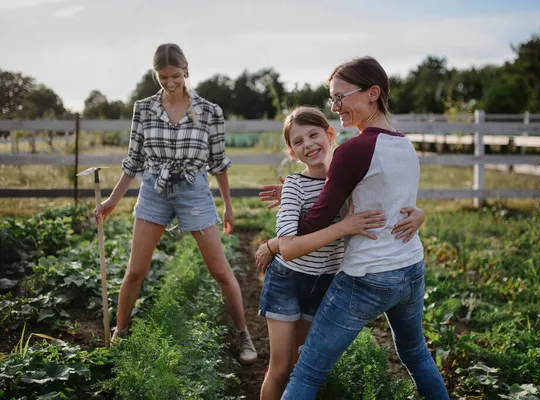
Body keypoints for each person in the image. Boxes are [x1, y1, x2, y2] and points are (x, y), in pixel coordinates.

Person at [280, 57, 450, 399]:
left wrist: (290, 201)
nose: (334, 106)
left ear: (373, 93)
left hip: (367, 277)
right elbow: (397, 203)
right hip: (410, 269)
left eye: (341, 96)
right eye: (332, 98)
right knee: (415, 353)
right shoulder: (404, 143)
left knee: (308, 371)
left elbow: (317, 218)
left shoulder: (353, 149)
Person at [93, 43, 257, 365]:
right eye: (163, 76)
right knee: (136, 270)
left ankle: (243, 335)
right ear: (156, 73)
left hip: (194, 189)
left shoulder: (210, 111)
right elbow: (134, 160)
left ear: (186, 70)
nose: (170, 83)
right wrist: (113, 199)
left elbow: (219, 164)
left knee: (220, 271)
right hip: (154, 187)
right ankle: (120, 333)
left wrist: (227, 205)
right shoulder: (144, 108)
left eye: (176, 76)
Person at [254, 106, 426, 399]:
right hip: (288, 280)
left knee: (302, 365)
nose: (308, 144)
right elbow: (290, 247)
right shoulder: (294, 186)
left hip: (325, 282)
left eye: (313, 135)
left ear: (330, 134)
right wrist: (343, 227)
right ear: (291, 152)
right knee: (280, 368)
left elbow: (388, 200)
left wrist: (419, 213)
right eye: (298, 142)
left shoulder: (351, 180)